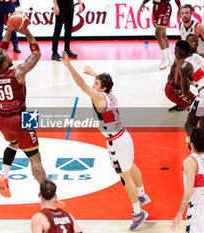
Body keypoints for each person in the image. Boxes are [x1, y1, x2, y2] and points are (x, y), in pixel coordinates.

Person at [61, 52, 150, 231]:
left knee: (125, 178)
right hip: (125, 136)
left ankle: (138, 212)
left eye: (96, 84)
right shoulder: (110, 94)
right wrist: (94, 74)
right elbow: (104, 83)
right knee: (132, 165)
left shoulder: (99, 98)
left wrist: (69, 66)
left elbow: (81, 85)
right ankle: (142, 195)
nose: (94, 85)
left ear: (101, 89)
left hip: (116, 142)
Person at [0, 20, 47, 199]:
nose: (7, 54)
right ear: (5, 64)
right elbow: (36, 53)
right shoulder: (18, 72)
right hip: (21, 118)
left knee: (13, 143)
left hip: (2, 120)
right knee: (35, 158)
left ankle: (4, 176)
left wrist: (9, 30)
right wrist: (27, 32)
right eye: (6, 56)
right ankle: (48, 195)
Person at [140, 0, 181, 70]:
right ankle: (169, 58)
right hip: (156, 7)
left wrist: (179, 7)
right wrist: (144, 2)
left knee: (158, 34)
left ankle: (164, 59)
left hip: (164, 7)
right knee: (163, 35)